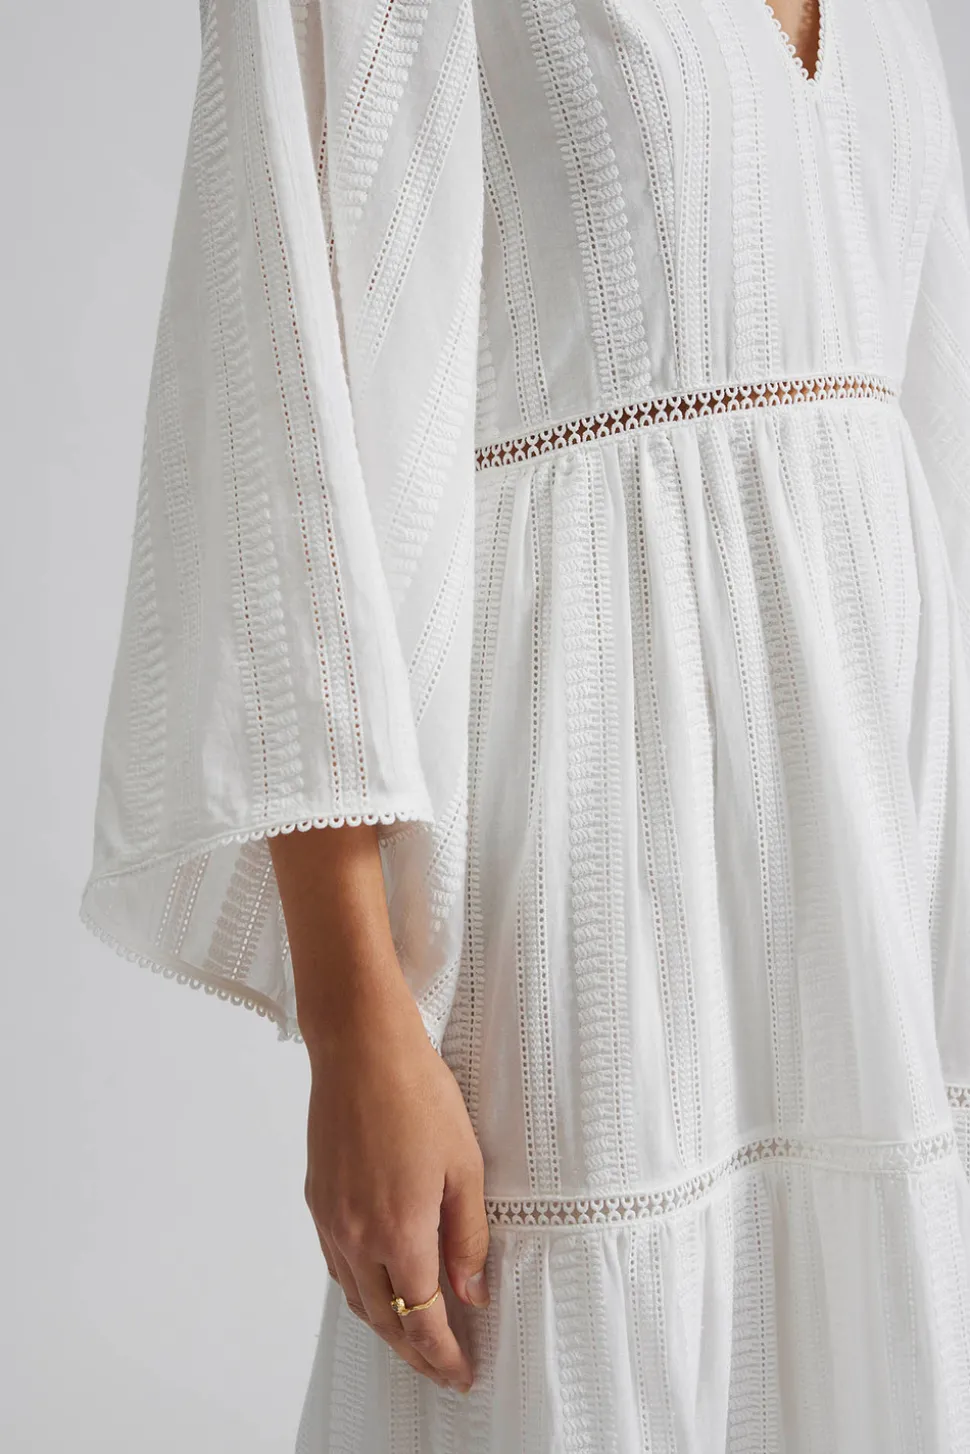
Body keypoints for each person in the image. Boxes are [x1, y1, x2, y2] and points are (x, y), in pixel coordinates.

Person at [80, 0, 970, 1447]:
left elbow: (917, 441)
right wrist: (356, 1019)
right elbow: (275, 404)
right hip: (589, 873)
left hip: (873, 895)